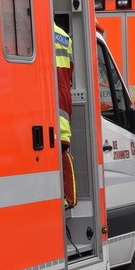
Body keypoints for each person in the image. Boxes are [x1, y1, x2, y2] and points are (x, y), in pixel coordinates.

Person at [54, 21, 77, 209]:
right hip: (62, 100)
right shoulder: (62, 34)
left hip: (48, 101)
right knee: (61, 148)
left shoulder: (30, 30)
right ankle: (65, 198)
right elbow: (69, 72)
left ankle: (64, 198)